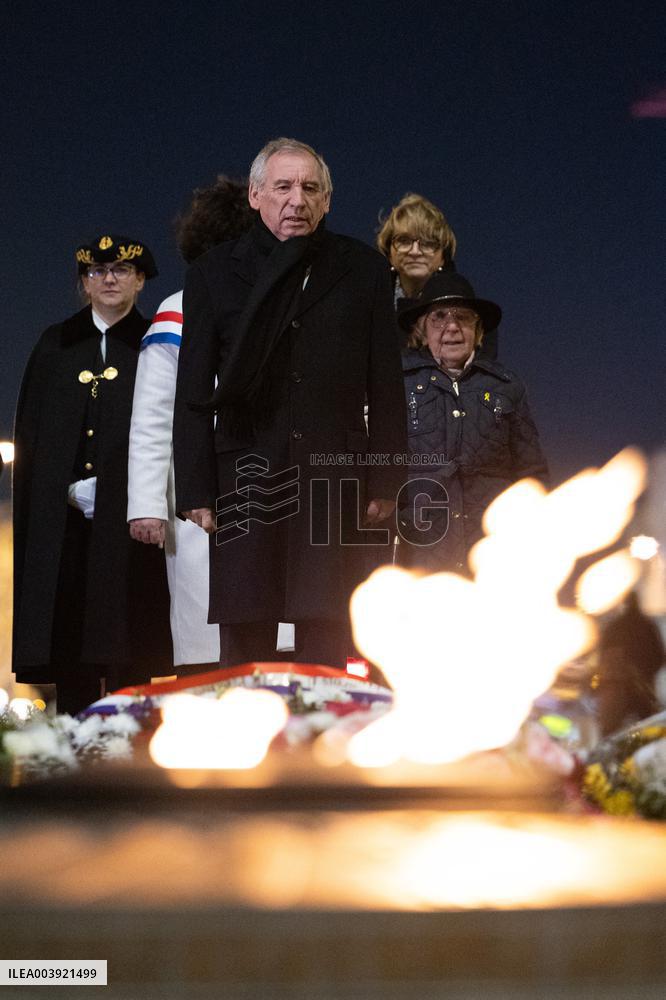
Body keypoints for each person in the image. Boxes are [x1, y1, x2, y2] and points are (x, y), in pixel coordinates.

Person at [173, 137, 407, 671]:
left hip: (334, 478)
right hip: (245, 473)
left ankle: (323, 749)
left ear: (327, 200)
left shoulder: (364, 270)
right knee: (245, 635)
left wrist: (386, 482)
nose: (296, 200)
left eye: (310, 188)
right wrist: (196, 488)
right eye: (282, 186)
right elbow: (192, 394)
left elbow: (386, 387)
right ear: (256, 195)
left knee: (328, 632)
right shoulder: (212, 273)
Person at [12, 235, 171, 714]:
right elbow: (34, 434)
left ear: (140, 280)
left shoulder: (153, 343)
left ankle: (131, 744)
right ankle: (74, 746)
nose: (108, 279)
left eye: (120, 270)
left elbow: (166, 428)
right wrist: (63, 489)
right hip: (66, 526)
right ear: (83, 282)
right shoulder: (56, 343)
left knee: (130, 634)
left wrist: (128, 491)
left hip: (131, 524)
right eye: (96, 272)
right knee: (70, 633)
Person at [128, 176, 255, 672]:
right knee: (206, 638)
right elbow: (153, 416)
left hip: (268, 481)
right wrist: (145, 504)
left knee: (276, 637)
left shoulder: (281, 300)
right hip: (199, 494)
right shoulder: (175, 310)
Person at [397, 271, 548, 575]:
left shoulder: (507, 386)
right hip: (422, 550)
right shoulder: (398, 386)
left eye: (463, 318)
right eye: (439, 317)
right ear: (422, 330)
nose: (452, 327)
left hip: (492, 555)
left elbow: (532, 473)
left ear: (478, 330)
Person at [377, 193, 498, 359]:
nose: (415, 251)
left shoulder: (471, 311)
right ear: (389, 251)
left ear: (443, 255)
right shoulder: (368, 303)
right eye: (404, 241)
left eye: (427, 243)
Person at [596, 590, 665, 735]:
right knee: (648, 731)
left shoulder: (614, 627)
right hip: (638, 688)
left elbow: (602, 657)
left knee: (610, 733)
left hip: (618, 688)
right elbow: (659, 657)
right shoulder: (647, 626)